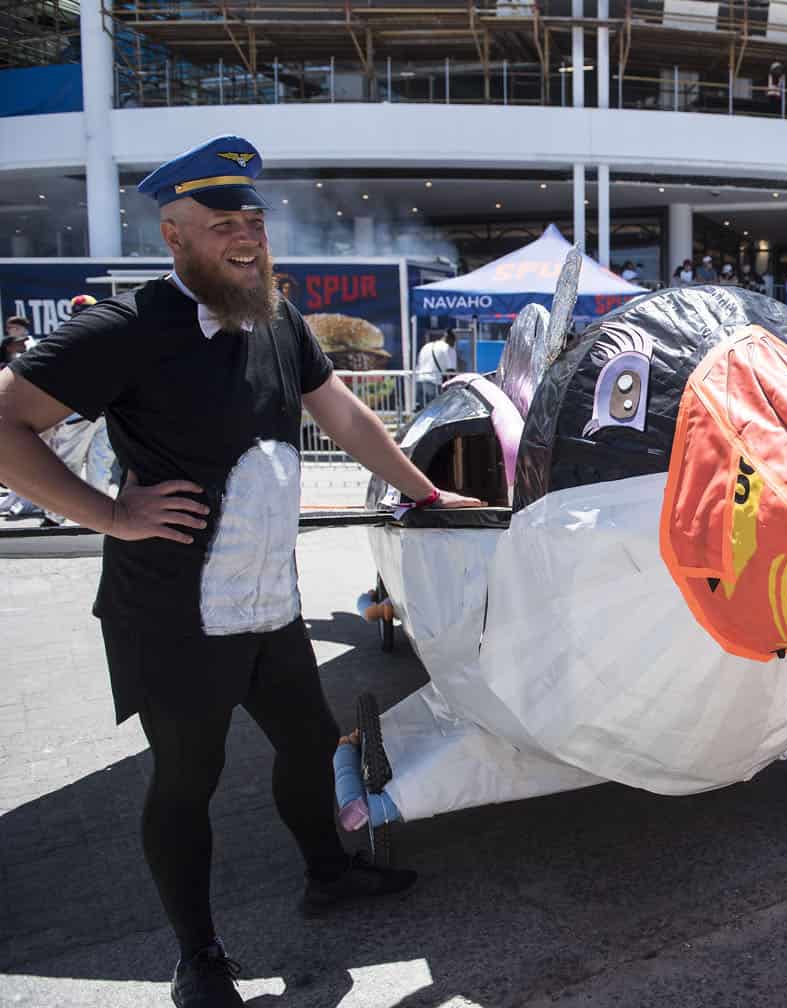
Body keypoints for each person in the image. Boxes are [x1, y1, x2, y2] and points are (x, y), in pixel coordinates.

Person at [0, 134, 483, 1008]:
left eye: (255, 219)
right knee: (188, 779)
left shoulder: (276, 319)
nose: (249, 237)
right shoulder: (124, 327)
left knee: (307, 744)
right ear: (175, 234)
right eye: (225, 223)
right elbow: (6, 425)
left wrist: (424, 493)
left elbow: (337, 410)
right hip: (174, 614)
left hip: (269, 605)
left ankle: (327, 874)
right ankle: (199, 955)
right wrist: (110, 513)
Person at [414, 329, 457, 408]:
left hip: (419, 382)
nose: (454, 345)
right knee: (435, 413)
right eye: (454, 342)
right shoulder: (447, 348)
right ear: (450, 339)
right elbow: (451, 371)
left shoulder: (426, 346)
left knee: (422, 413)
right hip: (433, 383)